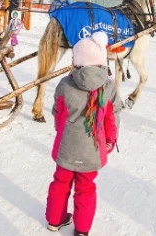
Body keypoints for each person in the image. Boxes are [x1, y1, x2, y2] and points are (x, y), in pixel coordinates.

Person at [45, 32, 122, 236]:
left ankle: (54, 220)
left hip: (66, 146)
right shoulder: (108, 86)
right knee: (86, 188)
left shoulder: (65, 83)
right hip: (93, 148)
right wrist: (111, 140)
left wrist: (61, 129)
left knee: (60, 183)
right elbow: (112, 118)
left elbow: (57, 112)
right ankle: (82, 229)